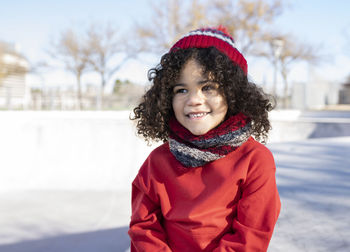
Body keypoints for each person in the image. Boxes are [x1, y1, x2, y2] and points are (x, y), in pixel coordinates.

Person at [128, 26, 281, 252]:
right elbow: (143, 227)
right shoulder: (158, 161)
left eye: (208, 87)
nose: (194, 100)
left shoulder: (255, 160)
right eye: (181, 90)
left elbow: (251, 236)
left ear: (233, 93)